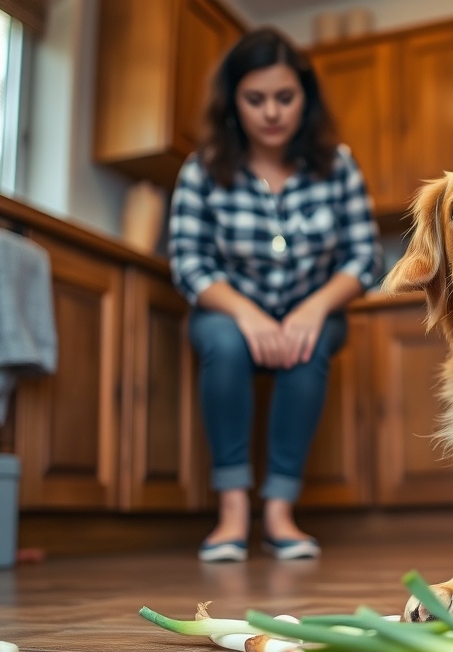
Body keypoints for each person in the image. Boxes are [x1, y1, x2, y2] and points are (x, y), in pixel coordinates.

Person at [169, 28, 382, 562]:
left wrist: (312, 308)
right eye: (255, 99)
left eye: (284, 98)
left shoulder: (338, 165)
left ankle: (280, 512)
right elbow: (188, 262)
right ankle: (233, 512)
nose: (271, 113)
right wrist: (248, 314)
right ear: (232, 102)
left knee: (306, 348)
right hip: (229, 313)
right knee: (225, 340)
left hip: (316, 307)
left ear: (305, 99)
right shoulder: (202, 169)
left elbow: (365, 257)